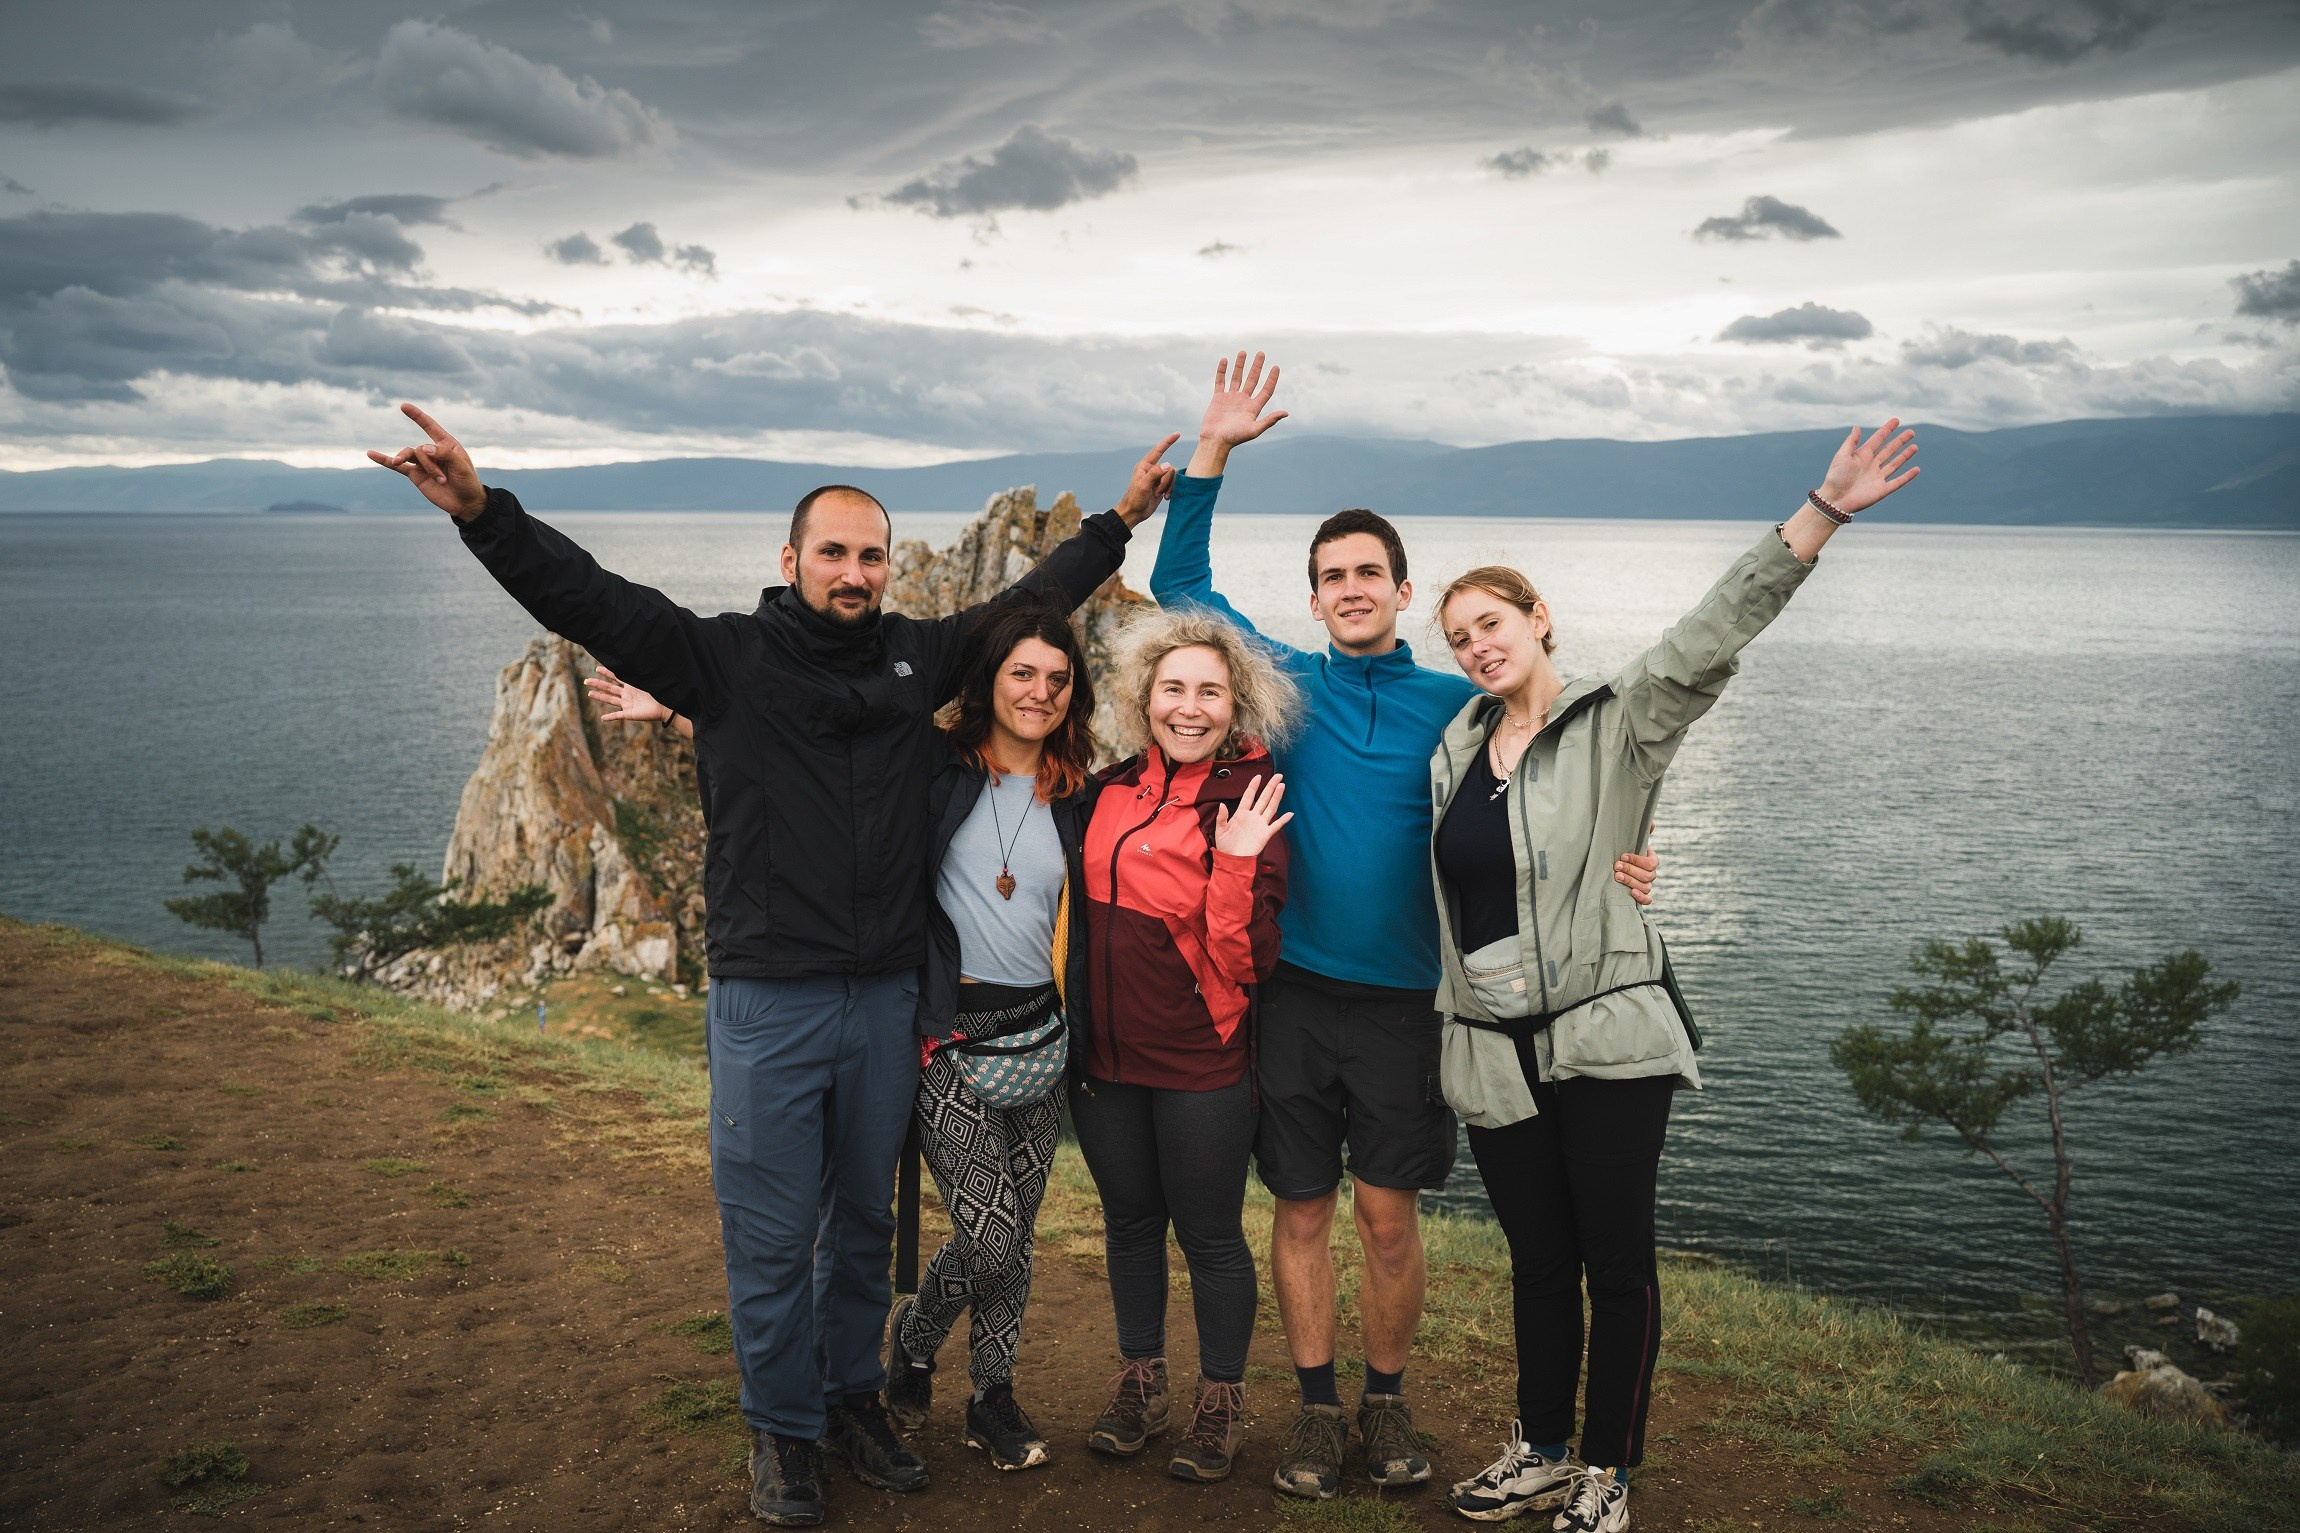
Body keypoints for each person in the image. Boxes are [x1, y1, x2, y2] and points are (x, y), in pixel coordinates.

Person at [367, 404, 1178, 1529]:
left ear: (888, 568)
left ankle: (852, 1398)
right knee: (767, 1228)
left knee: (859, 1224)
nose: (854, 572)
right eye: (833, 553)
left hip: (889, 996)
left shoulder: (917, 657)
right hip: (769, 1001)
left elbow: (1025, 606)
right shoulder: (720, 658)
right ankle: (782, 1428)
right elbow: (588, 596)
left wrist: (1120, 520)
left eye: (871, 555)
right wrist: (482, 513)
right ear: (789, 560)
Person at [1148, 354, 1658, 1501]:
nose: (1348, 588)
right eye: (1330, 575)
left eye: (1367, 571)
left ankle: (1384, 1404)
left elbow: (1565, 760)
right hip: (1292, 994)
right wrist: (1213, 453)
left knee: (1385, 1217)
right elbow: (1181, 581)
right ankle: (1317, 1411)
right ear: (1315, 594)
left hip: (1406, 1003)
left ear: (1398, 586)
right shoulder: (1280, 681)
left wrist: (1629, 848)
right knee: (1299, 1210)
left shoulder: (1458, 702)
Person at [1432, 421, 1918, 1532]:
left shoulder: (1620, 721)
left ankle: (1605, 1469)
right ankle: (1542, 1448)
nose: (1476, 648)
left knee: (1615, 1261)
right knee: (1537, 1263)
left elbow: (1709, 636)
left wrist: (1821, 514)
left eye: (1491, 625)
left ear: (1536, 617)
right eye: (1459, 638)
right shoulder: (1453, 748)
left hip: (1605, 1037)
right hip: (1490, 1050)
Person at [592, 603, 1097, 1477]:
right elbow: (815, 762)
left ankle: (992, 1395)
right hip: (947, 1037)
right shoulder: (934, 769)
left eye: (1058, 679)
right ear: (988, 680)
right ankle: (913, 1339)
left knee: (1016, 1232)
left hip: (1040, 1039)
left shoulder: (1081, 793)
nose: (1040, 692)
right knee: (994, 1238)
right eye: (1022, 672)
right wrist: (686, 711)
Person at [1067, 608, 1299, 1485]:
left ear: (1236, 700)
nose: (1190, 707)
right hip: (1105, 1060)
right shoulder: (1111, 786)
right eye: (1174, 689)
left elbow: (1250, 961)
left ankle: (1222, 1400)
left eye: (1210, 690)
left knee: (1208, 1234)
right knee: (1128, 1222)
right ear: (1145, 697)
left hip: (1202, 1057)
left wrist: (1237, 859)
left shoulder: (1252, 796)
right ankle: (1139, 1382)